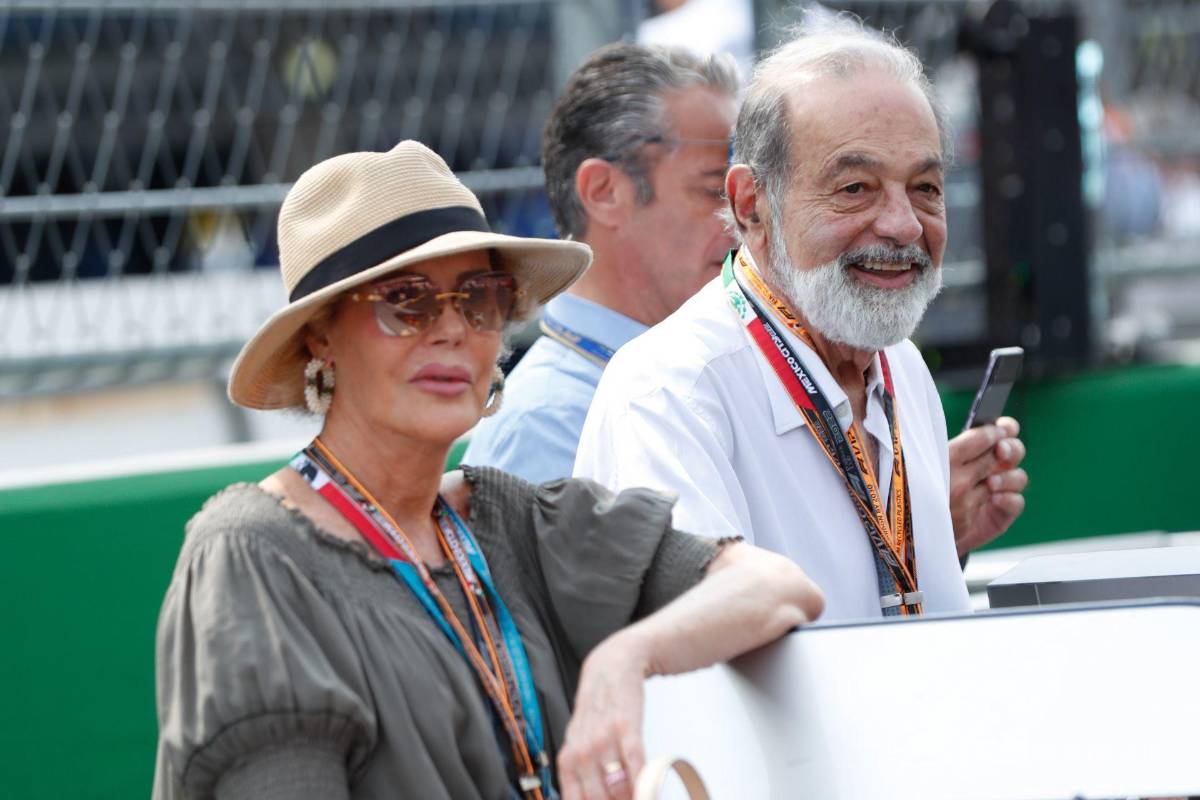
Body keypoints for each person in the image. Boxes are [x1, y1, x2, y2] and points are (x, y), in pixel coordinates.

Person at [152, 141, 824, 800]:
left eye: (478, 298)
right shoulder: (252, 556)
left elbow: (778, 586)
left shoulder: (515, 520)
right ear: (319, 337)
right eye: (405, 300)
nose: (451, 330)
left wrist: (626, 659)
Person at [464, 40, 1027, 562]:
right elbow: (582, 660)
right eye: (713, 189)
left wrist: (921, 535)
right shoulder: (579, 411)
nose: (902, 224)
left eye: (927, 187)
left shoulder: (875, 360)